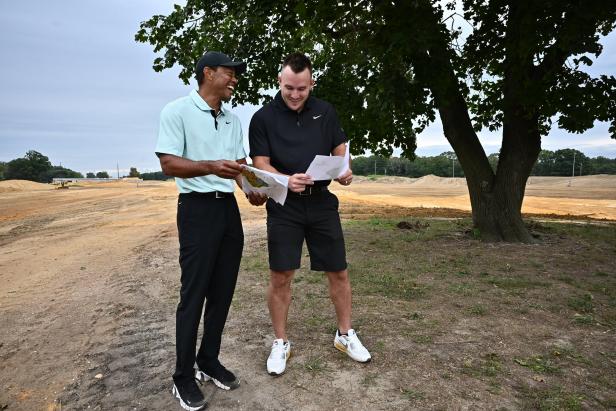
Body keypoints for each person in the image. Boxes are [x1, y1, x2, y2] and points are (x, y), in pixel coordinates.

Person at [249, 52, 371, 376]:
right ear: (279, 81)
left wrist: (344, 169)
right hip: (283, 204)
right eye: (289, 87)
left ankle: (345, 335)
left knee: (339, 272)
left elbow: (340, 149)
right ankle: (280, 342)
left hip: (321, 203)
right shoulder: (262, 118)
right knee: (281, 276)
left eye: (302, 89)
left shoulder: (326, 111)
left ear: (311, 83)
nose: (295, 95)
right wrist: (286, 179)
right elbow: (260, 163)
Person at [156, 51, 266, 411]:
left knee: (222, 292)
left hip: (227, 212)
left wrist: (252, 191)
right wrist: (209, 166)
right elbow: (169, 162)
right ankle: (183, 376)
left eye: (236, 74)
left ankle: (208, 359)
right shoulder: (177, 111)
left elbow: (236, 169)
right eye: (229, 73)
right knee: (194, 295)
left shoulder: (233, 121)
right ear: (208, 73)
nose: (235, 79)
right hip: (197, 211)